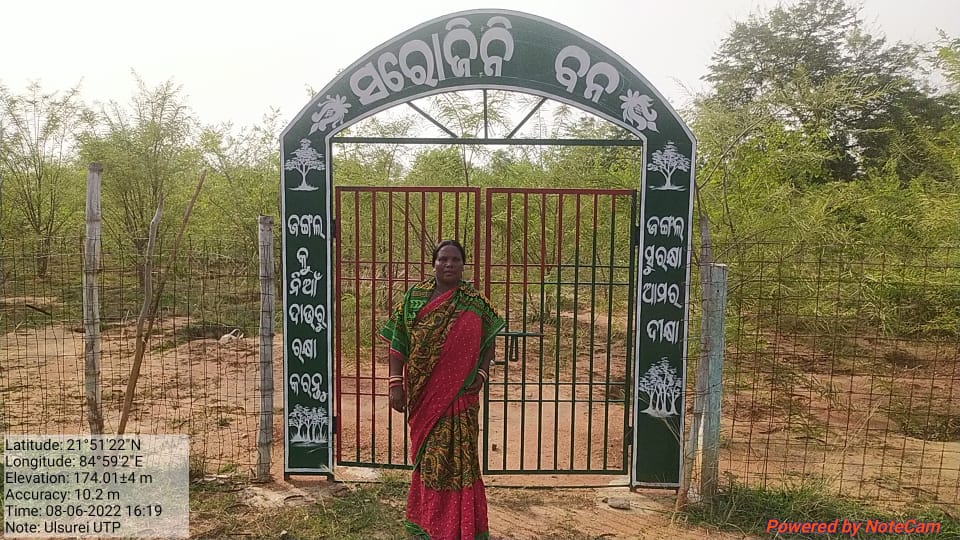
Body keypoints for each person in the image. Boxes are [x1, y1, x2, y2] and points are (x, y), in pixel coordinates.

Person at [379, 239, 505, 539]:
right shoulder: (414, 298)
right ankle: (431, 524)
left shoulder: (475, 302)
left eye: (455, 260)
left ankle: (463, 525)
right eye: (443, 259)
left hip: (462, 397)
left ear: (463, 265)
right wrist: (395, 383)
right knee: (432, 463)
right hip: (424, 396)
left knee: (462, 462)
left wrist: (483, 373)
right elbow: (398, 343)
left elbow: (490, 344)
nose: (449, 265)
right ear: (434, 263)